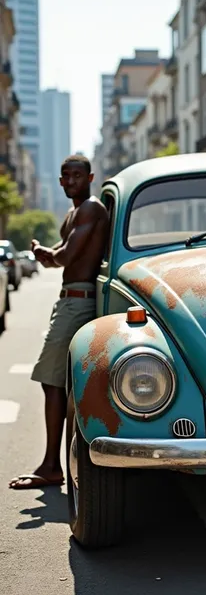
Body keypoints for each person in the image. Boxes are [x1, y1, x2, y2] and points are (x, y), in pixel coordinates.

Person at [9, 155, 109, 491]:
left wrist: (47, 253)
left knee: (52, 380)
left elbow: (65, 257)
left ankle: (52, 466)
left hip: (79, 301)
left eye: (77, 176)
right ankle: (58, 462)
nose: (70, 182)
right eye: (65, 176)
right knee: (59, 382)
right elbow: (61, 257)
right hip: (69, 298)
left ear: (90, 177)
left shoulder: (91, 209)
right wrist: (44, 253)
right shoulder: (74, 212)